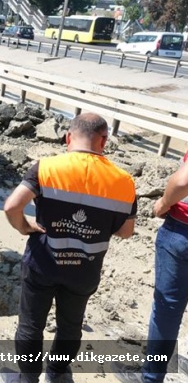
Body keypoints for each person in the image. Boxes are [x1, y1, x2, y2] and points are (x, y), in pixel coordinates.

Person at [1, 113, 137, 383]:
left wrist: (24, 226)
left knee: (30, 325)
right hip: (84, 269)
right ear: (103, 141)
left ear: (68, 138)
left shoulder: (46, 168)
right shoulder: (124, 181)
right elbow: (126, 231)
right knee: (70, 326)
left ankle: (28, 378)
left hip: (43, 262)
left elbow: (11, 207)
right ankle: (58, 374)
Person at [114, 146, 188, 383]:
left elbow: (183, 181)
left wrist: (163, 203)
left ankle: (152, 377)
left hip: (183, 231)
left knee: (167, 309)